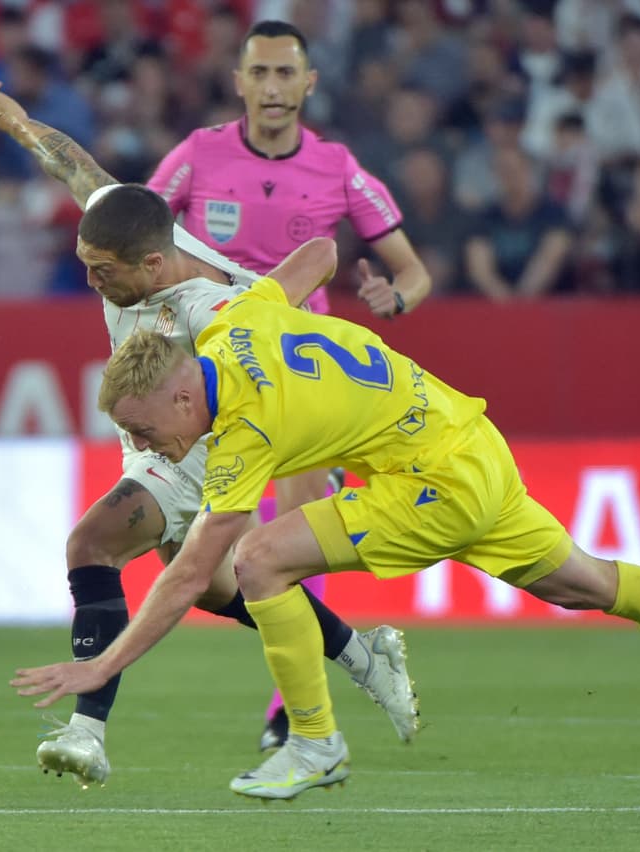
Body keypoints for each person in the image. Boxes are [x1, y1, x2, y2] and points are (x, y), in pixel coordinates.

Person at [12, 258, 640, 801]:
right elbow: (316, 252)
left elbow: (188, 577)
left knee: (258, 560)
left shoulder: (244, 429)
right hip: (469, 442)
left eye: (145, 432)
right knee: (585, 581)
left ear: (183, 399)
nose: (146, 448)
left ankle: (315, 744)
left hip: (434, 483)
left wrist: (103, 666)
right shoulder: (237, 318)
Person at [0, 81, 417, 789]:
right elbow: (74, 166)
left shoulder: (211, 310)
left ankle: (87, 731)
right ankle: (363, 653)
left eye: (101, 272)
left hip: (195, 438)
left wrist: (279, 308)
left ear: (150, 268)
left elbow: (318, 257)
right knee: (217, 589)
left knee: (91, 543)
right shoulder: (134, 230)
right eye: (86, 264)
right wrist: (17, 120)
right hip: (156, 425)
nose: (90, 281)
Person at [146, 19, 434, 749]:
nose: (272, 88)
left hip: (303, 384)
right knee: (203, 554)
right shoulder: (197, 156)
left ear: (308, 83)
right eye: (260, 74)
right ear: (239, 82)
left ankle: (289, 710)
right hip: (212, 378)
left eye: (285, 74)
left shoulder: (338, 167)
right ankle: (323, 668)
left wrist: (395, 298)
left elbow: (412, 269)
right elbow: (140, 230)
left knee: (295, 538)